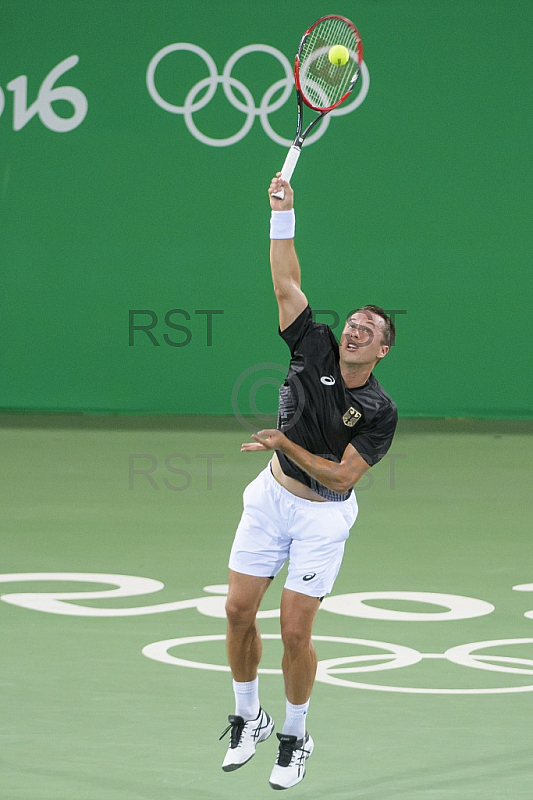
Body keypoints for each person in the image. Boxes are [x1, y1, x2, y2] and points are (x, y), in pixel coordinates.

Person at [220, 174, 398, 790]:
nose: (354, 331)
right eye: (352, 323)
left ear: (381, 351)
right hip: (270, 497)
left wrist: (286, 442)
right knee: (238, 610)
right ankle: (250, 718)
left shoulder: (379, 410)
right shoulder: (313, 345)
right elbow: (286, 280)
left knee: (295, 630)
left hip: (323, 515)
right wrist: (283, 214)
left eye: (368, 331)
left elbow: (344, 474)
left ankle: (296, 735)